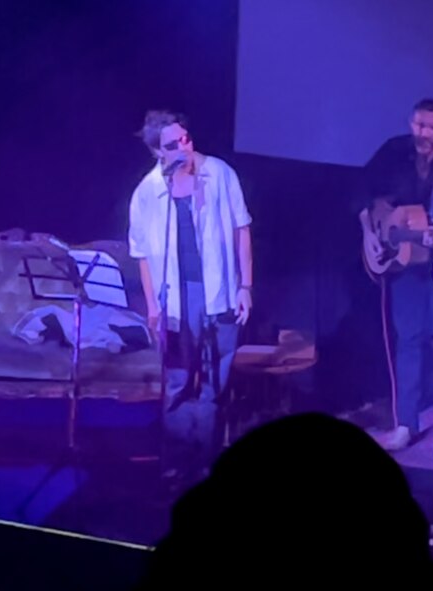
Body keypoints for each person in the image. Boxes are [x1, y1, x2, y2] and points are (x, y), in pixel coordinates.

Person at [128, 109, 254, 488]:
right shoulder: (148, 192)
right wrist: (152, 306)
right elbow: (142, 255)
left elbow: (241, 230)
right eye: (173, 144)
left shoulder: (219, 174)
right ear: (157, 153)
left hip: (220, 291)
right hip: (177, 298)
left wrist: (245, 286)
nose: (184, 146)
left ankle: (206, 463)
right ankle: (176, 463)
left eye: (186, 138)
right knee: (179, 380)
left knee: (215, 380)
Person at [359, 98, 433, 451]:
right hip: (403, 268)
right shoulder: (394, 151)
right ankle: (405, 424)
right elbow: (361, 193)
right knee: (408, 341)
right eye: (416, 124)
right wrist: (370, 229)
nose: (420, 133)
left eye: (428, 127)